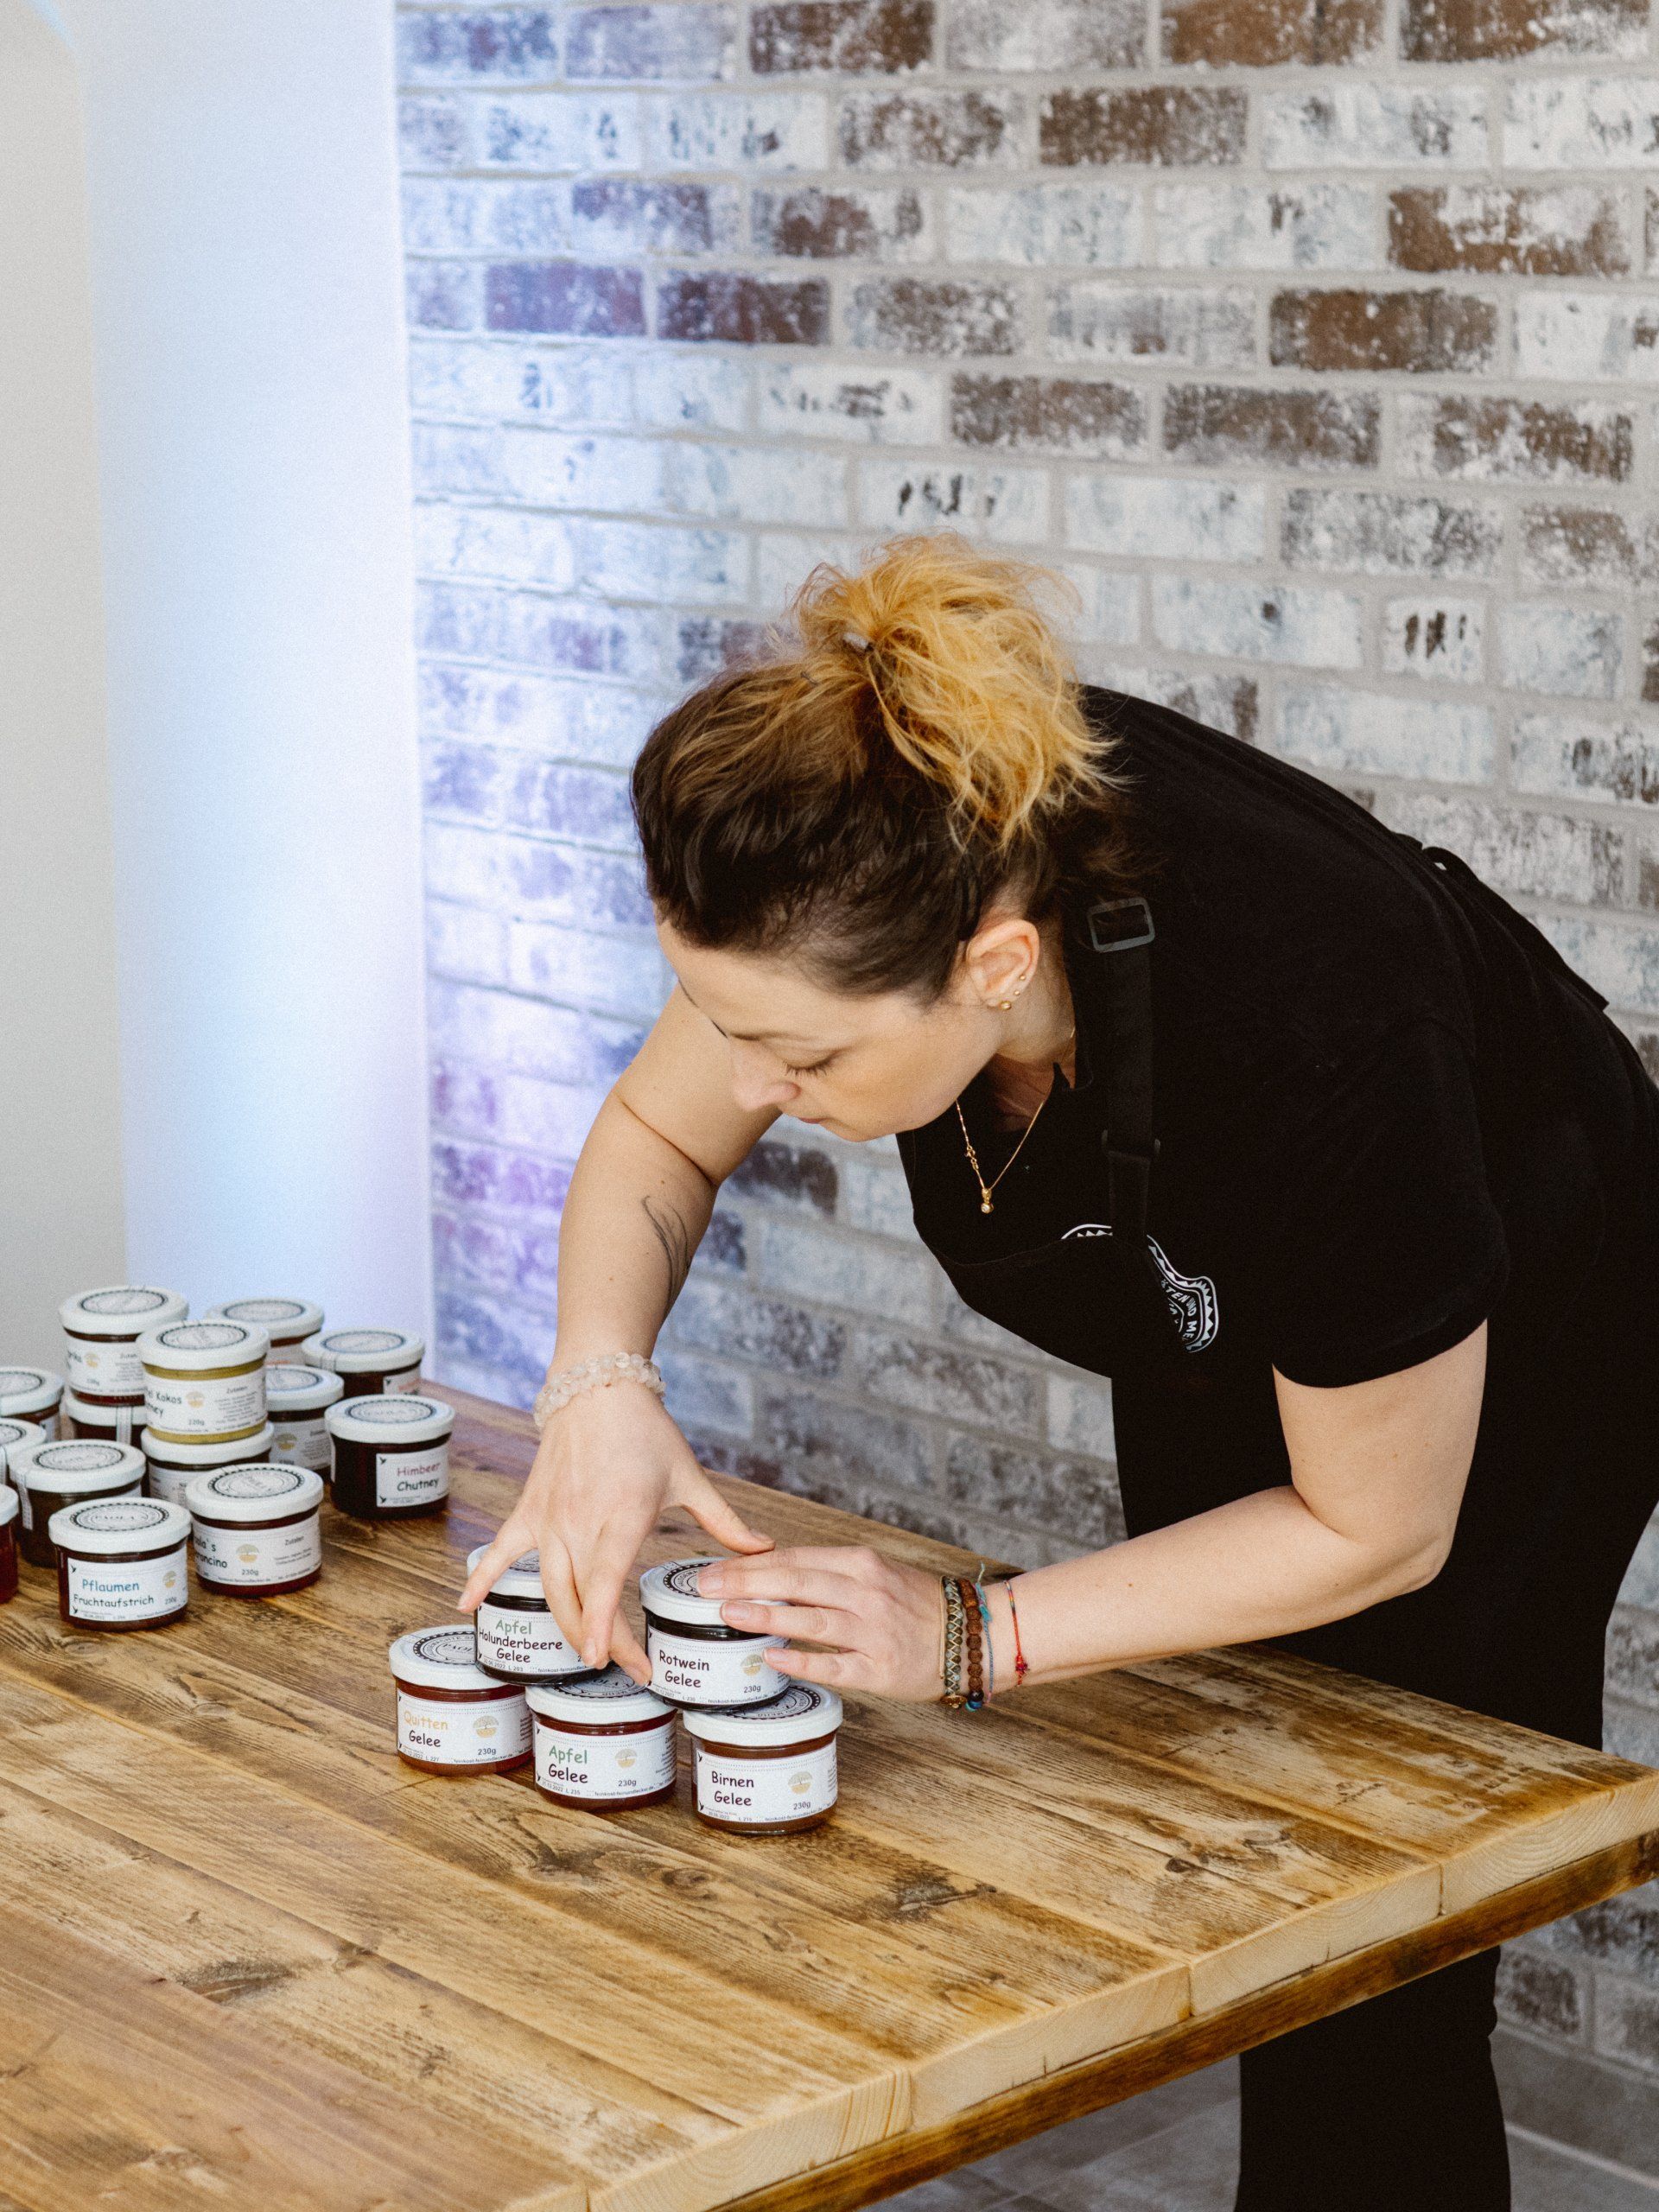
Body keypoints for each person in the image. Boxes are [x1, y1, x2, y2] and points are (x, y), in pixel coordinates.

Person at [460, 532, 1659, 2211]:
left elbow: (1375, 1524)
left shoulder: (1320, 1022)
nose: (748, 1085)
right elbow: (660, 1131)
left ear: (996, 970)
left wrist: (969, 1636)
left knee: (1370, 1917)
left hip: (1517, 1335)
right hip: (1242, 1301)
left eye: (800, 1054)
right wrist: (599, 1383)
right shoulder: (882, 848)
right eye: (719, 1020)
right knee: (1222, 1787)